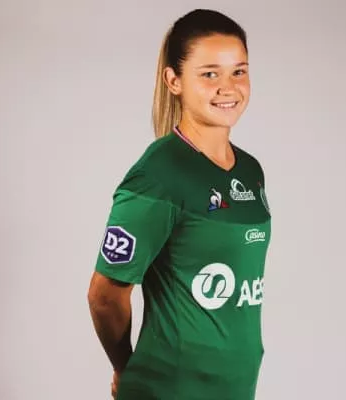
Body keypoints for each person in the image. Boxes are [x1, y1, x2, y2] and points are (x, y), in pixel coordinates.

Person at [87, 8, 272, 400]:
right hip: (169, 389)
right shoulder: (159, 173)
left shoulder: (251, 171)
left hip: (235, 390)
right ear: (174, 81)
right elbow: (105, 295)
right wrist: (124, 366)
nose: (228, 87)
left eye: (238, 71)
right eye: (210, 74)